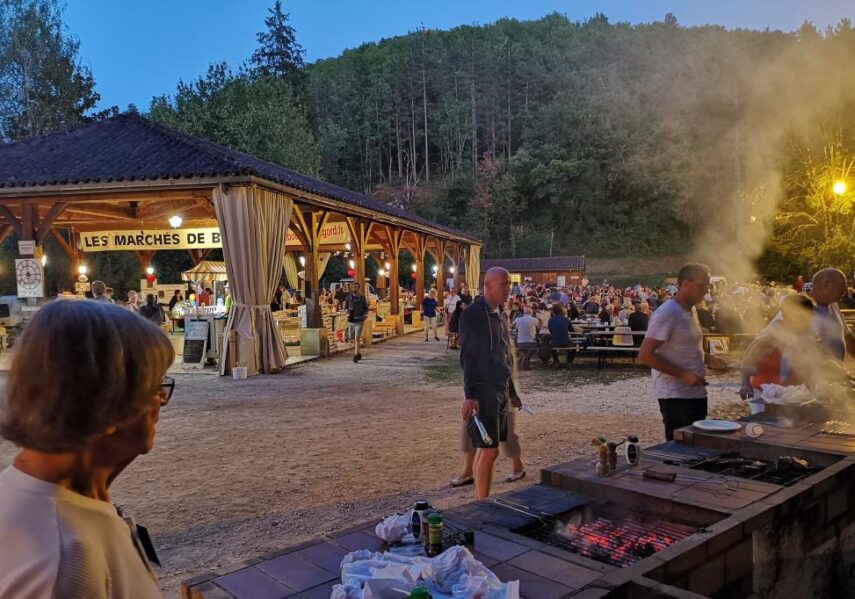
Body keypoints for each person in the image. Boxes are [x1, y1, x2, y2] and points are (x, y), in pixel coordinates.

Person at [0, 299, 174, 598]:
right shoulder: (65, 564)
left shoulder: (34, 503)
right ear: (105, 405)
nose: (161, 401)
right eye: (154, 387)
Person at [638, 264, 727, 441]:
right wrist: (684, 375)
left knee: (697, 447)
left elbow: (685, 345)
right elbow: (645, 355)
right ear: (686, 283)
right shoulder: (668, 312)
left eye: (707, 286)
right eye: (702, 286)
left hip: (696, 393)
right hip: (675, 396)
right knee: (680, 451)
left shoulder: (691, 310)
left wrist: (708, 358)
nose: (706, 291)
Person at [459, 267, 523, 500]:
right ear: (487, 286)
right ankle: (481, 505)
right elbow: (468, 355)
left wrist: (512, 391)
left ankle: (479, 501)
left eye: (509, 284)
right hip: (483, 389)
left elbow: (505, 355)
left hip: (500, 390)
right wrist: (470, 394)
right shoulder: (473, 314)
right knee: (490, 449)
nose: (509, 289)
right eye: (504, 284)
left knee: (489, 450)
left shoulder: (499, 314)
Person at [809, 268, 855, 362]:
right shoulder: (804, 311)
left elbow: (847, 337)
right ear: (826, 285)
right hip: (816, 375)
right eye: (842, 285)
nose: (845, 291)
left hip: (835, 375)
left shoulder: (833, 305)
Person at [345, 282, 369, 363]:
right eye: (353, 287)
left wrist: (365, 315)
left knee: (357, 338)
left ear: (359, 288)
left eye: (356, 287)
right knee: (351, 337)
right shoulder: (348, 297)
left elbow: (366, 307)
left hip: (359, 320)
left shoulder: (362, 298)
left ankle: (355, 356)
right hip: (351, 320)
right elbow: (345, 307)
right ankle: (358, 353)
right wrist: (347, 313)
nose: (354, 288)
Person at [548, 303, 572, 368]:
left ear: (553, 311)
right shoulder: (566, 319)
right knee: (573, 347)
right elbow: (571, 330)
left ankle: (556, 361)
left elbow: (551, 330)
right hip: (566, 341)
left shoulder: (551, 320)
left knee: (551, 345)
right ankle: (569, 362)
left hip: (555, 341)